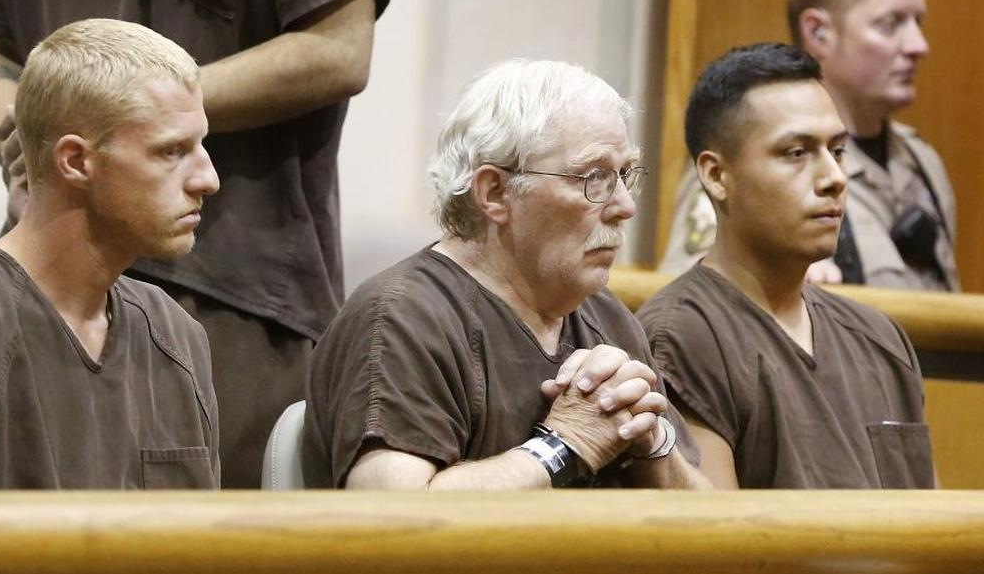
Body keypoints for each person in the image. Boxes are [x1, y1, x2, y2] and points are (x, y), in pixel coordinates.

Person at [0, 0, 394, 487]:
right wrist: (43, 154)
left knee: (213, 543)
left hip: (231, 292)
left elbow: (338, 49)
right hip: (43, 276)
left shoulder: (182, 335)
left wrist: (123, 111)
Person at [303, 60, 708, 490]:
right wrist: (561, 446)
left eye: (624, 175)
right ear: (495, 192)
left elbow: (712, 531)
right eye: (594, 177)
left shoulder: (608, 317)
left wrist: (653, 446)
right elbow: (390, 521)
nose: (625, 205)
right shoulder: (402, 318)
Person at [0, 19, 221, 489]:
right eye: (171, 152)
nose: (208, 178)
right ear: (76, 161)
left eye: (201, 146)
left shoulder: (178, 336)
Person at [638, 43, 935, 488]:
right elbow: (716, 542)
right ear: (717, 176)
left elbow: (935, 528)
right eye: (797, 153)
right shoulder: (681, 335)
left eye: (837, 151)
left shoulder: (881, 338)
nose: (834, 178)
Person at [659, 0, 958, 292]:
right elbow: (694, 300)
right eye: (891, 24)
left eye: (918, 22)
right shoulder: (746, 159)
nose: (917, 45)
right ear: (818, 32)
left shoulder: (921, 161)